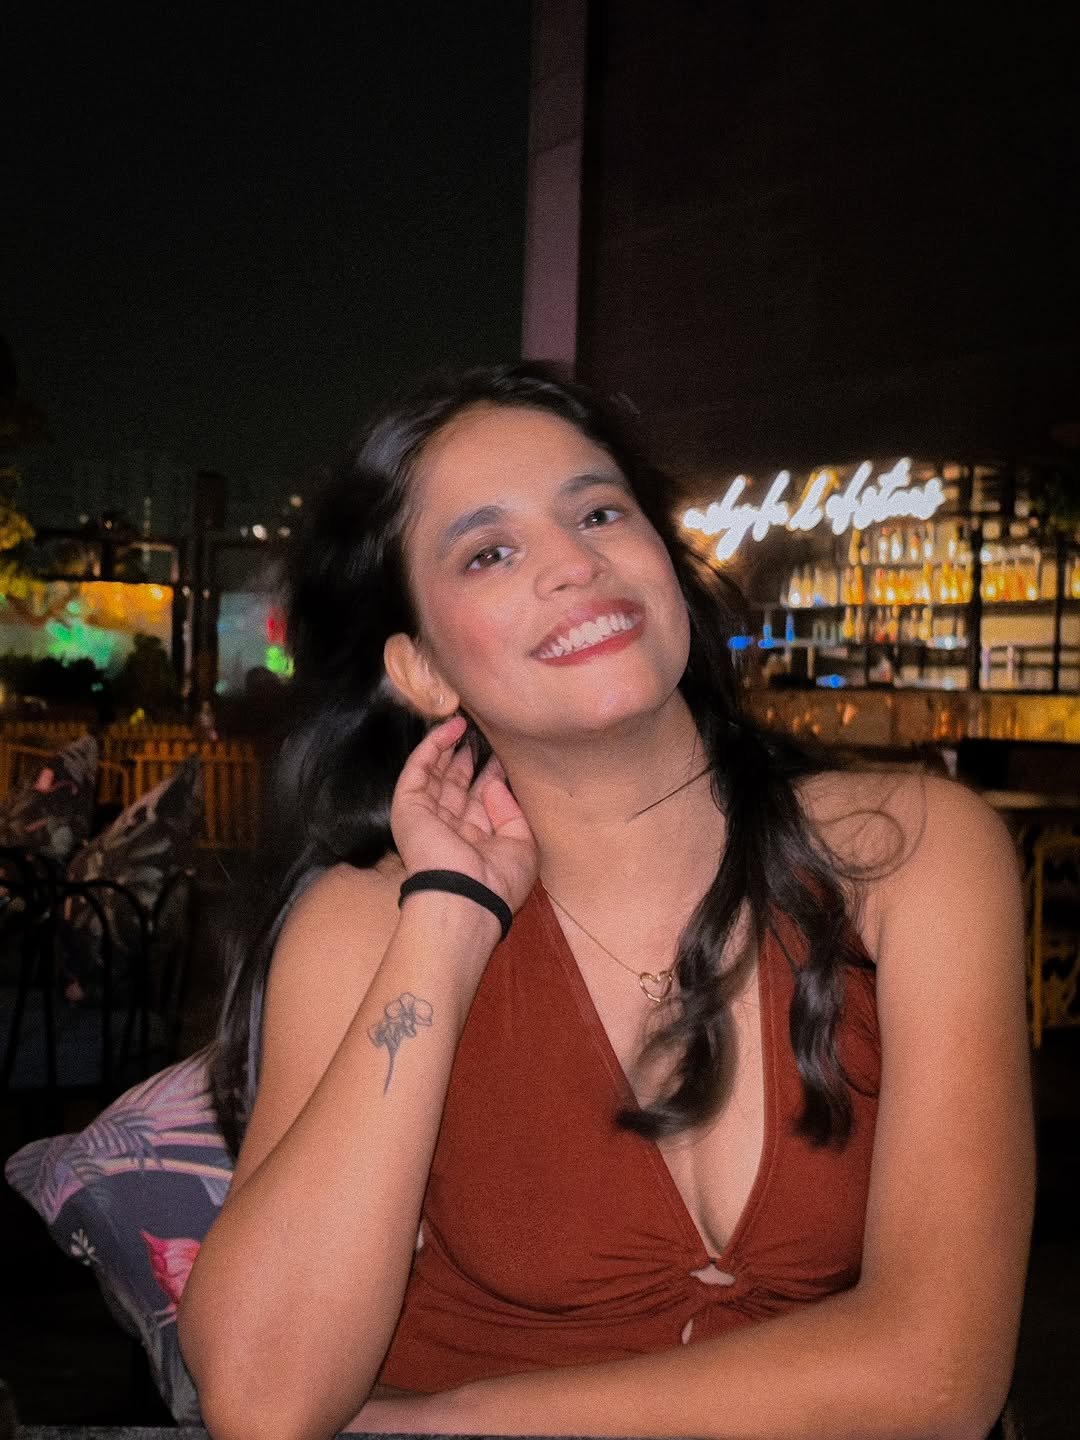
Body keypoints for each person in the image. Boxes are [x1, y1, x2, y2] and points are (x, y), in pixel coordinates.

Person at [177, 363, 1033, 1440]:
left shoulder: (911, 855)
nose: (575, 564)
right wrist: (448, 915)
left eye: (598, 513)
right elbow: (265, 1399)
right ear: (422, 669)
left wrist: (441, 1427)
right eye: (489, 552)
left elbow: (939, 1377)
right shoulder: (369, 922)